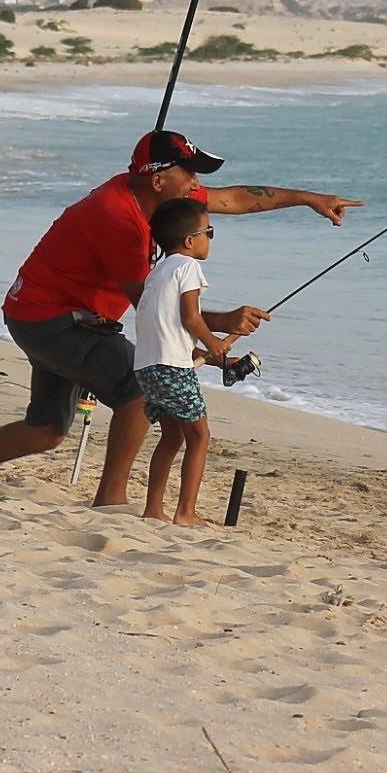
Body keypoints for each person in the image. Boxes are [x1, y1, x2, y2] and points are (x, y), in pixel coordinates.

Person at [0, 128, 363, 506]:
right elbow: (152, 307)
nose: (197, 185)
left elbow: (235, 198)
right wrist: (219, 325)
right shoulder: (118, 217)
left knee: (46, 430)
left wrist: (309, 199)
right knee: (138, 387)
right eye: (189, 175)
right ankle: (111, 498)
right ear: (158, 179)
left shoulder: (161, 195)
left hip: (40, 314)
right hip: (55, 319)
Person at [135, 197, 230, 527]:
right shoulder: (188, 267)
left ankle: (153, 508)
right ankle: (186, 512)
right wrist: (214, 343)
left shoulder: (156, 274)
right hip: (171, 369)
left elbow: (165, 326)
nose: (210, 239)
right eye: (209, 232)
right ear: (190, 240)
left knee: (172, 436)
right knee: (199, 436)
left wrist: (204, 354)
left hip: (147, 367)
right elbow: (191, 318)